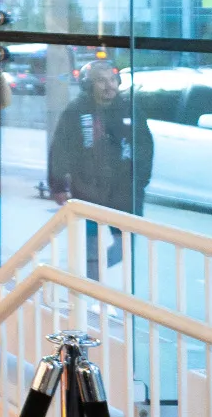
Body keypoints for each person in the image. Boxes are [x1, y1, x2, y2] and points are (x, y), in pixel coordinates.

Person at [46, 58, 152, 277]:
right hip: (88, 191)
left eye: (112, 80)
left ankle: (89, 276)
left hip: (124, 193)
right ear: (88, 86)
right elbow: (60, 148)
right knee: (91, 250)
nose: (109, 85)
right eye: (101, 81)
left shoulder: (129, 109)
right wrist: (58, 186)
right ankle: (91, 295)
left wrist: (140, 182)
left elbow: (145, 147)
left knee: (125, 248)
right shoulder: (75, 111)